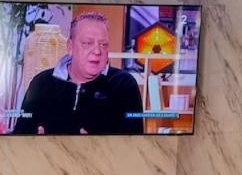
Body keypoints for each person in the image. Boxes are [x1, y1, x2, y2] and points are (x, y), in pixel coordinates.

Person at [12, 12, 144, 135]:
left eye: (103, 45)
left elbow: (135, 144)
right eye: (87, 43)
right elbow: (19, 137)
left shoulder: (124, 85)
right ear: (70, 47)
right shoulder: (41, 83)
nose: (97, 51)